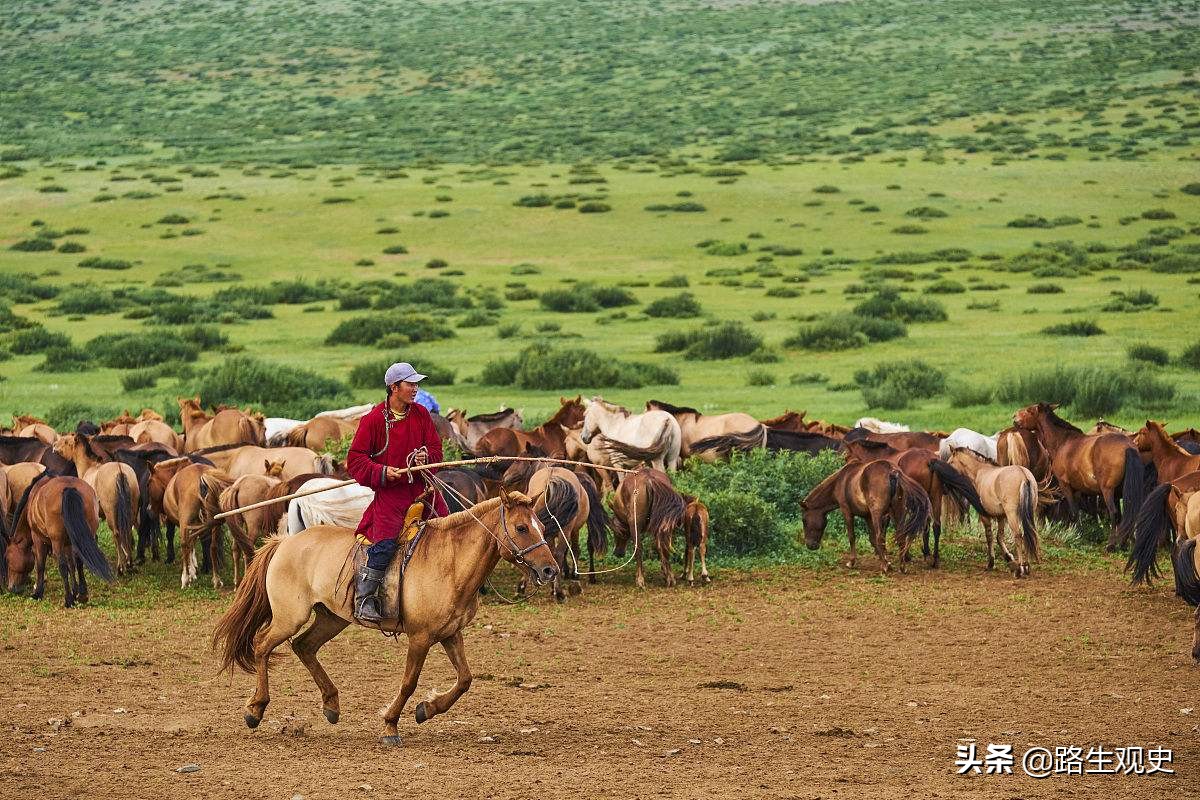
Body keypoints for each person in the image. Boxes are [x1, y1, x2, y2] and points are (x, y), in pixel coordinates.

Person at [346, 362, 449, 623]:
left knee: (448, 529)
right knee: (385, 544)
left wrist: (427, 457)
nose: (416, 388)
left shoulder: (422, 415)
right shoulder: (373, 420)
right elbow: (356, 460)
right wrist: (382, 472)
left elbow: (437, 452)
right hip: (391, 495)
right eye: (410, 384)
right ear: (394, 387)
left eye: (416, 384)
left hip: (422, 489)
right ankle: (365, 599)